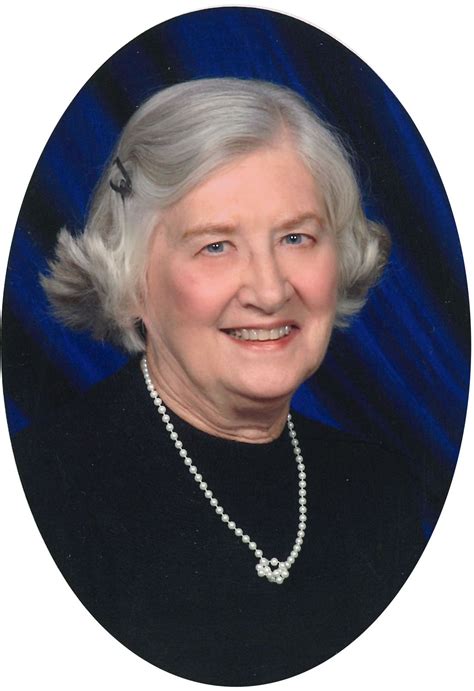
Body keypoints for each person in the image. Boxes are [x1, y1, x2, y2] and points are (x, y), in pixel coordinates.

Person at [12, 78, 425, 686]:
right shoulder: (37, 496)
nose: (269, 290)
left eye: (296, 238)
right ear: (132, 280)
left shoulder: (385, 489)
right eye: (216, 246)